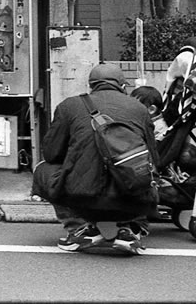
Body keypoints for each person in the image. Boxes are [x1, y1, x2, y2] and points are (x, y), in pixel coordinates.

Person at [38, 63, 158, 255]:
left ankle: (79, 227)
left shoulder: (69, 106)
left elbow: (51, 153)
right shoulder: (140, 110)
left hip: (83, 197)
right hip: (133, 197)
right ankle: (129, 228)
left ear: (91, 85)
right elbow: (154, 158)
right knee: (145, 172)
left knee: (43, 169)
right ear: (122, 85)